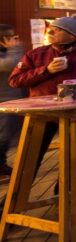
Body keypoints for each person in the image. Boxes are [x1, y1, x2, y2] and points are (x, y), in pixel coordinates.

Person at [8, 16, 76, 177]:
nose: (51, 31)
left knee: (72, 156)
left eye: (58, 29)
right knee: (31, 154)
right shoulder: (35, 54)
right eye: (51, 27)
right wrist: (46, 70)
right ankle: (16, 197)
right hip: (42, 114)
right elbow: (15, 80)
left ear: (72, 35)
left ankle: (66, 192)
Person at [0, 25, 26, 182]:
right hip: (2, 100)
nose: (14, 40)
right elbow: (8, 65)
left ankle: (2, 166)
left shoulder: (9, 52)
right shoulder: (10, 53)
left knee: (7, 134)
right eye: (10, 37)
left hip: (11, 99)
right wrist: (14, 49)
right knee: (2, 135)